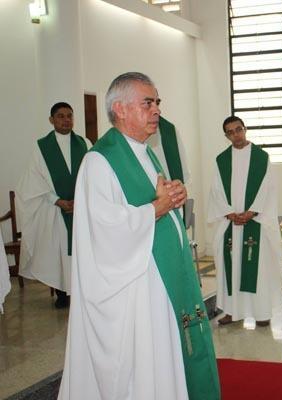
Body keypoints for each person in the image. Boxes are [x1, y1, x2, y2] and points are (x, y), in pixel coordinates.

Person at [58, 72, 220, 400]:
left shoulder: (144, 152)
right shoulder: (99, 161)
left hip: (159, 282)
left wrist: (171, 197)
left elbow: (153, 203)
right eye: (148, 103)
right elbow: (105, 229)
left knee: (166, 355)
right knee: (145, 366)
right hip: (135, 288)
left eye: (157, 102)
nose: (157, 110)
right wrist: (157, 208)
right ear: (120, 109)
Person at [208, 116, 282, 327]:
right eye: (230, 132)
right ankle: (232, 312)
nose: (236, 135)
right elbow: (216, 190)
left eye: (238, 129)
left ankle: (261, 313)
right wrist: (229, 213)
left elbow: (268, 188)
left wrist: (252, 212)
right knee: (231, 269)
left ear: (245, 129)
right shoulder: (221, 160)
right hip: (231, 224)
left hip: (255, 223)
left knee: (257, 269)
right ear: (226, 136)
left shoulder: (261, 157)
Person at [16, 102, 91, 308]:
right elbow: (34, 182)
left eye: (69, 116)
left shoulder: (84, 143)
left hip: (80, 209)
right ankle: (62, 293)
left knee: (81, 249)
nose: (66, 120)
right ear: (51, 120)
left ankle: (82, 291)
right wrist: (57, 201)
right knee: (60, 251)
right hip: (55, 209)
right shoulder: (41, 147)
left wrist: (81, 200)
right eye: (60, 116)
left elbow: (93, 175)